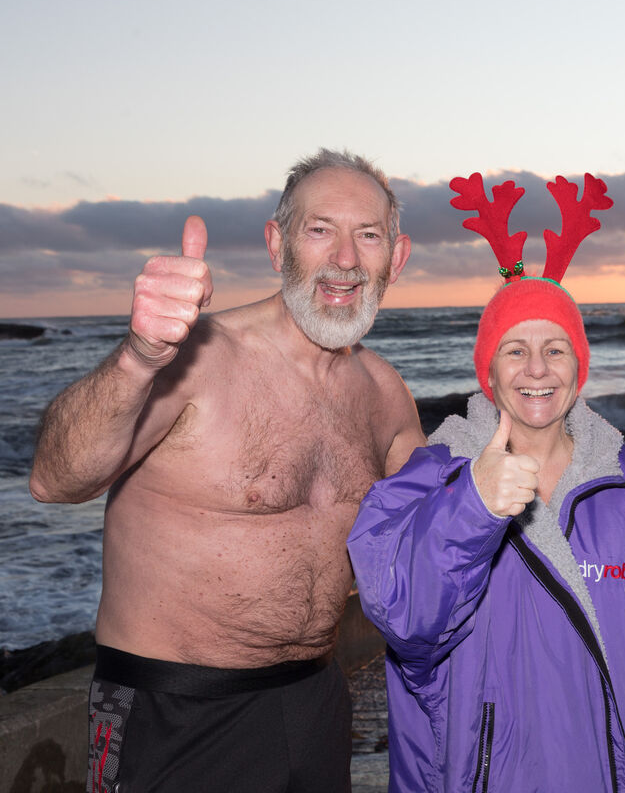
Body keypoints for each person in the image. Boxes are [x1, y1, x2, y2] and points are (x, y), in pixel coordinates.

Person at [29, 148, 425, 793]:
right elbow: (56, 479)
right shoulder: (195, 359)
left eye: (369, 235)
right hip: (176, 711)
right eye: (320, 230)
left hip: (316, 701)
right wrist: (137, 357)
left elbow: (441, 536)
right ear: (278, 244)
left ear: (397, 258)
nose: (346, 260)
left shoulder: (385, 395)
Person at [347, 173, 625, 792]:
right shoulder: (430, 476)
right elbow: (401, 614)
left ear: (580, 367)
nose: (537, 369)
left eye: (556, 350)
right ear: (488, 369)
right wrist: (474, 506)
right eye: (515, 350)